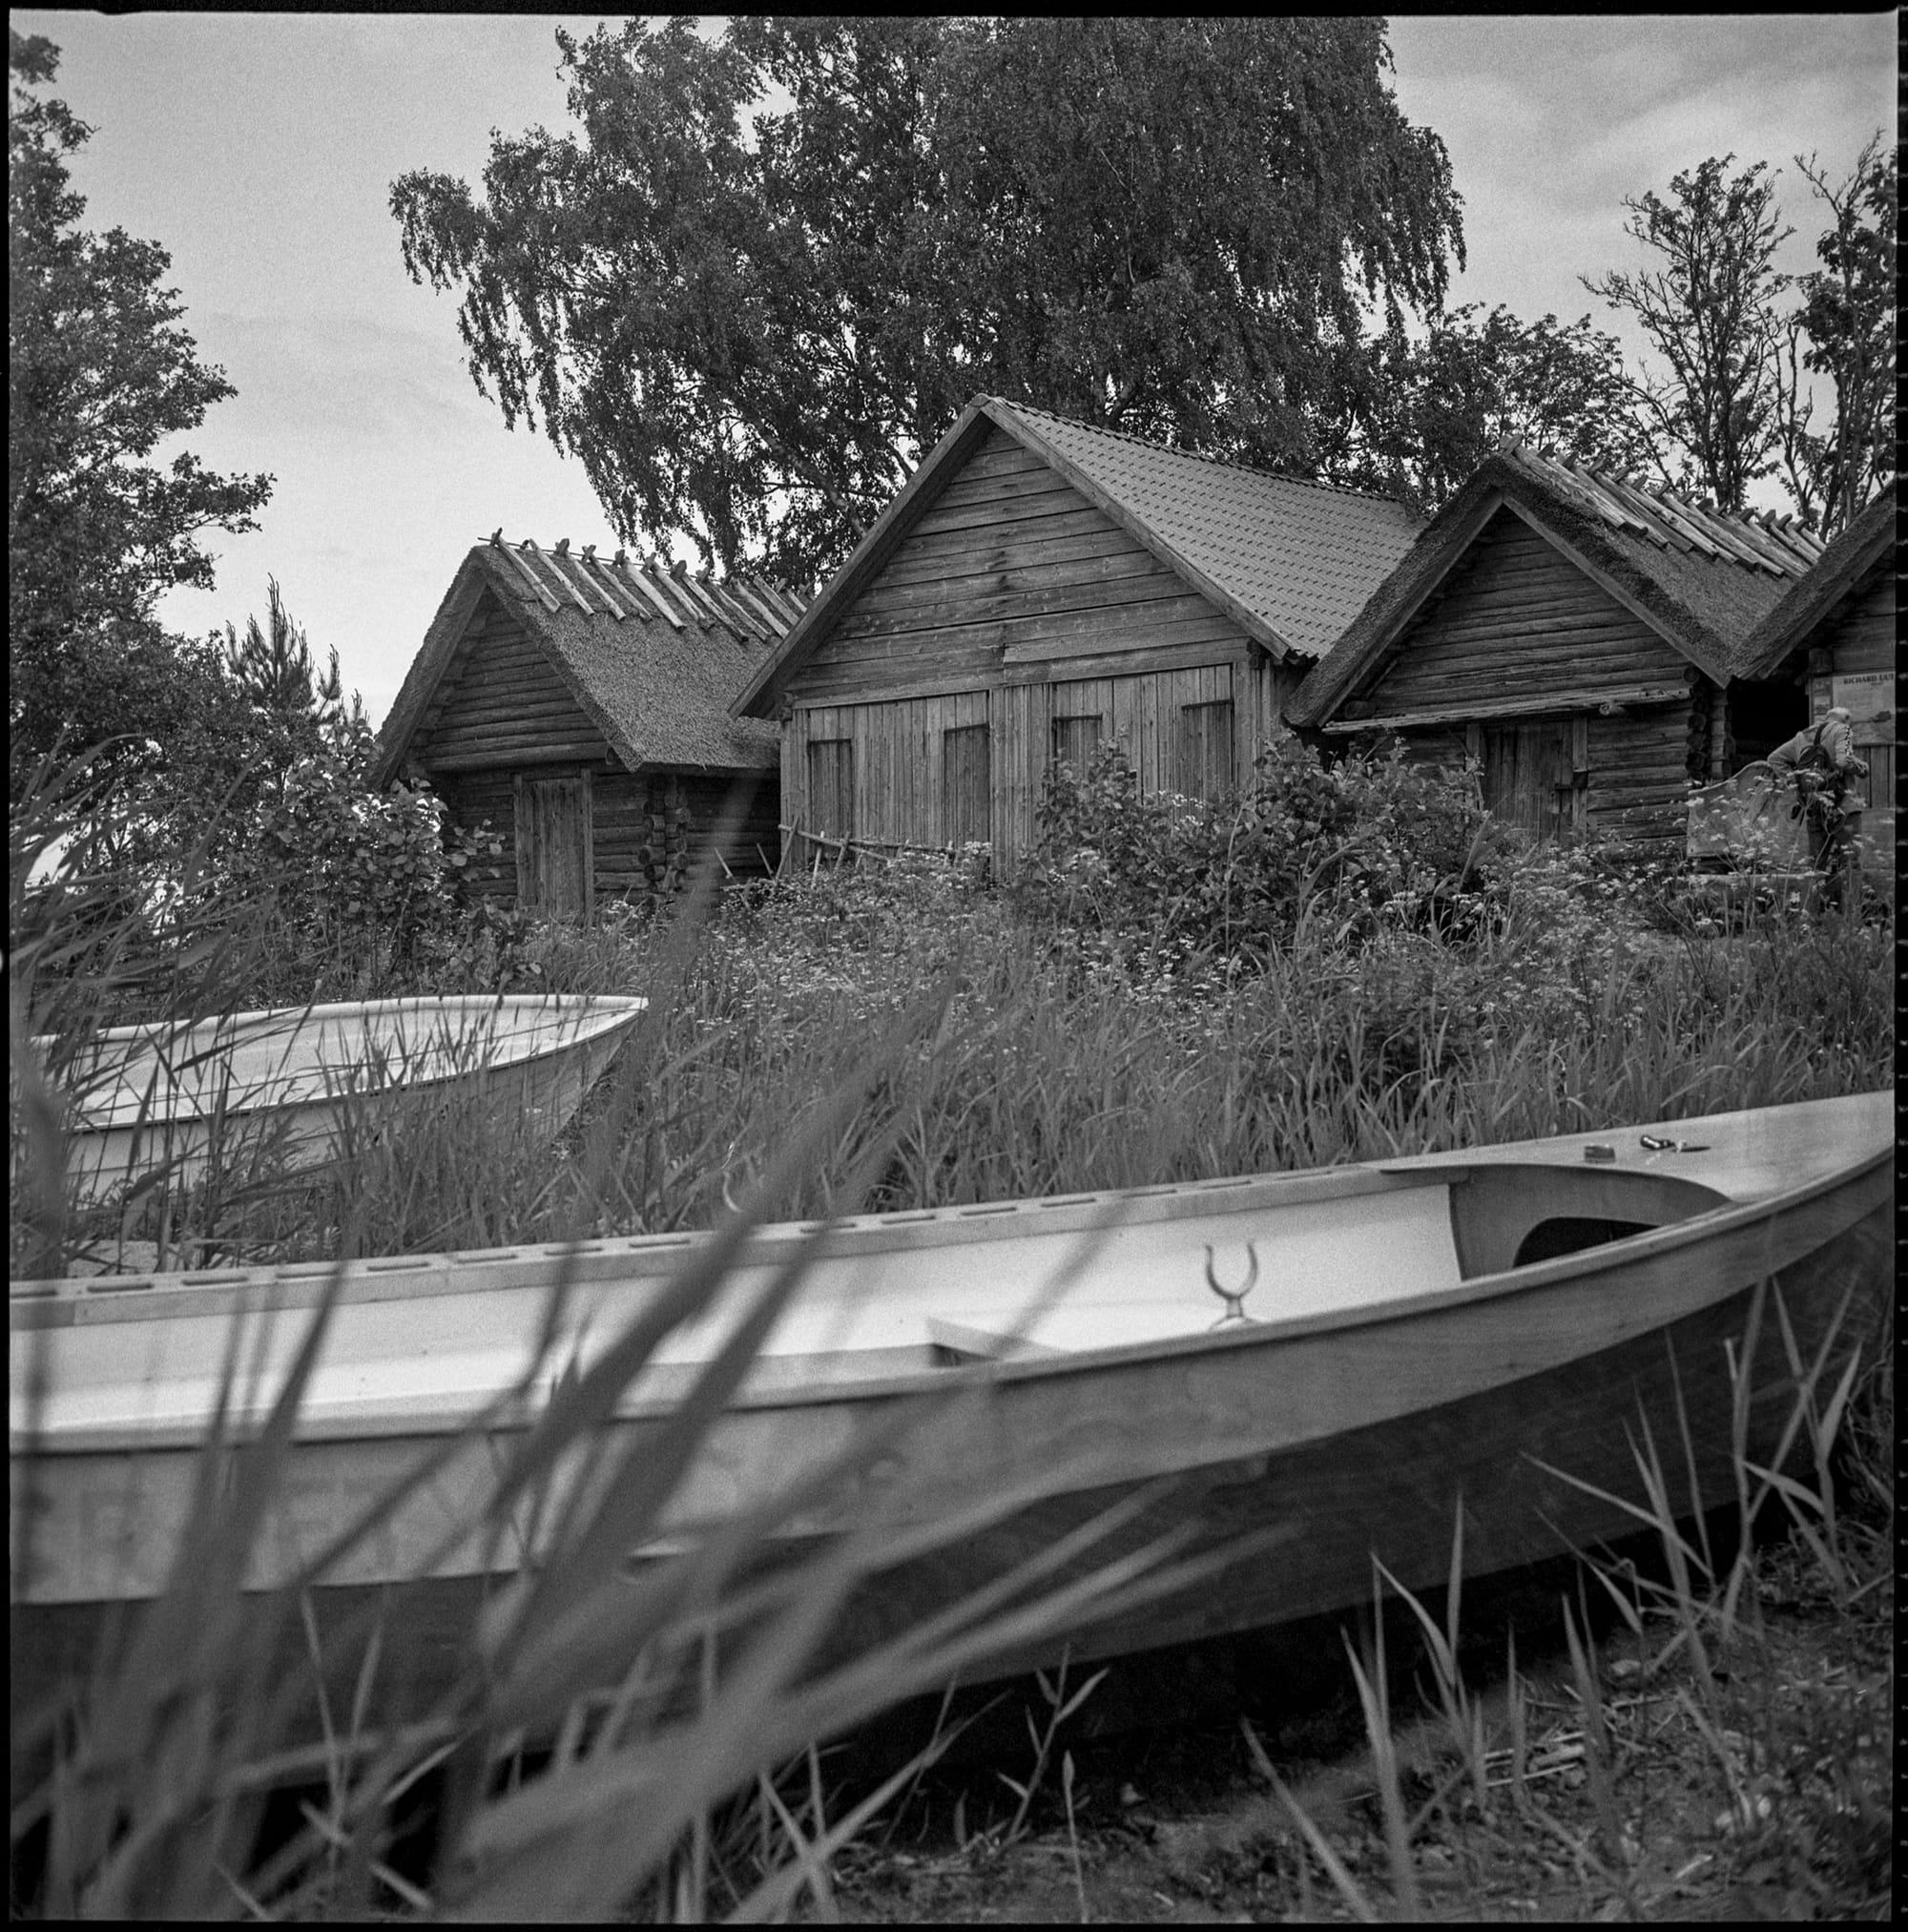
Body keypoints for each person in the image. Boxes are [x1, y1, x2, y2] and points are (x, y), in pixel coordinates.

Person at [1766, 707, 1868, 897]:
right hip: (1843, 806)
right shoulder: (1842, 729)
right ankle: (1851, 923)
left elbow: (1774, 759)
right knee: (1851, 864)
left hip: (1814, 807)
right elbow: (1844, 761)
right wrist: (1861, 768)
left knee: (1815, 866)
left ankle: (1810, 919)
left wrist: (1797, 786)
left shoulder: (1802, 737)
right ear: (1845, 719)